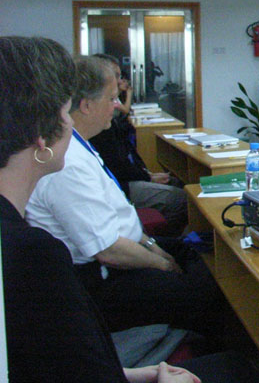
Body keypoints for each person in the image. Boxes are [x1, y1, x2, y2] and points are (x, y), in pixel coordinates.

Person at [0, 36, 202, 382]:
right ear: (41, 137)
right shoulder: (33, 254)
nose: (69, 123)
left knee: (200, 257)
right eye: (64, 113)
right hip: (103, 278)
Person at [25, 55, 224, 338]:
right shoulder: (67, 164)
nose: (118, 105)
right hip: (103, 279)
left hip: (126, 251)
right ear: (86, 105)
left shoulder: (80, 145)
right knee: (205, 287)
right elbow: (109, 251)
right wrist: (162, 264)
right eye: (111, 98)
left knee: (205, 254)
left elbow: (117, 219)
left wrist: (153, 245)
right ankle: (205, 347)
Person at [90, 53, 187, 232]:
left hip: (127, 178)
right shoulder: (98, 125)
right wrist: (147, 177)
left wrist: (146, 174)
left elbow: (124, 156)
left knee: (179, 183)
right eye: (116, 76)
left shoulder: (107, 120)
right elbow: (118, 165)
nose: (120, 81)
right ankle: (163, 239)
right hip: (121, 185)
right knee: (182, 199)